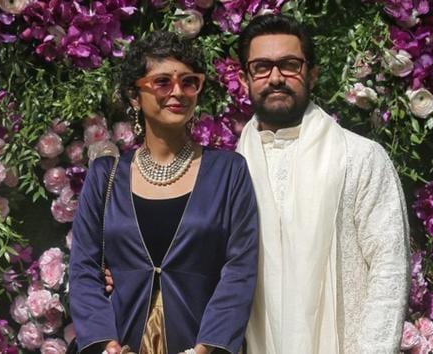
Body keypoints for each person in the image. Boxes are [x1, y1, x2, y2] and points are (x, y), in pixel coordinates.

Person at [69, 31, 259, 354]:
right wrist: (105, 344)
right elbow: (84, 268)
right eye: (162, 82)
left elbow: (239, 269)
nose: (178, 92)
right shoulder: (106, 177)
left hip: (199, 344)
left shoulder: (229, 172)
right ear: (134, 95)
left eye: (189, 82)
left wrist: (207, 348)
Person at [235, 15, 410, 353]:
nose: (275, 77)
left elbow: (389, 267)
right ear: (246, 79)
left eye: (289, 65)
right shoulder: (230, 169)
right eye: (261, 67)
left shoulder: (360, 157)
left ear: (311, 74)